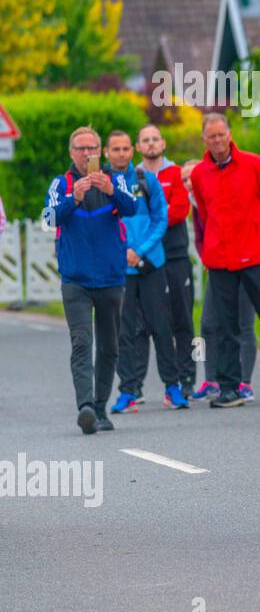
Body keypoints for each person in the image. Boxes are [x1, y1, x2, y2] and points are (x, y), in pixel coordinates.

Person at [190, 112, 260, 407]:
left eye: (221, 135)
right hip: (221, 260)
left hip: (255, 255)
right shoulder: (200, 174)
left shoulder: (255, 164)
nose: (217, 141)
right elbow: (203, 213)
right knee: (226, 325)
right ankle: (229, 387)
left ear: (229, 134)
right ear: (205, 139)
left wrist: (259, 236)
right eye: (211, 137)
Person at [46, 127, 138, 434]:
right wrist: (74, 198)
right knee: (82, 341)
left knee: (110, 347)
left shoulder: (117, 179)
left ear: (100, 151)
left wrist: (110, 190)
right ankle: (85, 407)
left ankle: (100, 408)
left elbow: (133, 207)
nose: (87, 154)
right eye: (81, 148)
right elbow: (49, 218)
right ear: (72, 152)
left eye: (92, 148)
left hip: (111, 278)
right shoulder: (61, 183)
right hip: (76, 279)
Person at [107, 129, 188, 413]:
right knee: (125, 331)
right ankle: (128, 391)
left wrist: (138, 250)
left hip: (152, 264)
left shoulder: (147, 180)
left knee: (162, 326)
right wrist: (122, 253)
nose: (121, 154)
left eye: (125, 149)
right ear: (107, 153)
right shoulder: (102, 184)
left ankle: (172, 387)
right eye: (115, 149)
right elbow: (101, 227)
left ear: (132, 151)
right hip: (119, 269)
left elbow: (161, 221)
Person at [184, 158, 258, 401]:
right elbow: (202, 238)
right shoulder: (196, 204)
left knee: (244, 323)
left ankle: (244, 382)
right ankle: (211, 379)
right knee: (208, 324)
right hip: (216, 268)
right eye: (184, 180)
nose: (188, 184)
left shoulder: (223, 194)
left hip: (243, 264)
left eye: (191, 179)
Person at [134, 124, 196, 396]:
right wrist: (157, 215)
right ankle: (134, 385)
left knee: (183, 320)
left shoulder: (175, 172)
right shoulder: (132, 177)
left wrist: (150, 219)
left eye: (154, 139)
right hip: (144, 260)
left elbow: (180, 210)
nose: (150, 144)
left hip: (175, 255)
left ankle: (187, 378)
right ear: (138, 147)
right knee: (141, 324)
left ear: (163, 143)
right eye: (145, 140)